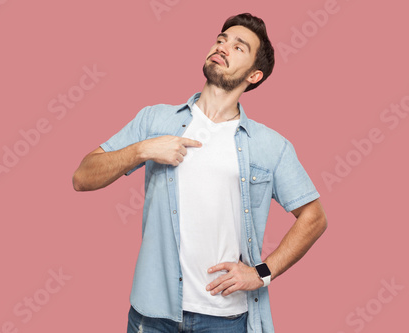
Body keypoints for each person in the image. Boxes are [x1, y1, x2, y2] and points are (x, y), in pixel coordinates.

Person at [72, 12, 327, 333]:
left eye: (239, 46)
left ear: (254, 76)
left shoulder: (271, 146)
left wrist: (262, 272)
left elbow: (314, 217)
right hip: (153, 314)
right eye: (221, 39)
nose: (223, 46)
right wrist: (142, 149)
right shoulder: (155, 120)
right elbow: (82, 177)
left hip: (226, 318)